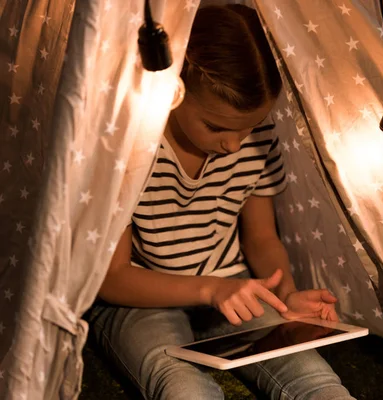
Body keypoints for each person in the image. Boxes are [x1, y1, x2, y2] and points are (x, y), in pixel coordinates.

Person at [88, 4, 355, 400]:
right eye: (216, 127)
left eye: (246, 129)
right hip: (141, 301)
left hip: (232, 287)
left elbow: (262, 239)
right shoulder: (131, 145)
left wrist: (285, 298)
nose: (232, 145)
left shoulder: (258, 137)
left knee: (315, 380)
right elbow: (114, 279)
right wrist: (210, 290)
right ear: (174, 89)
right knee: (182, 388)